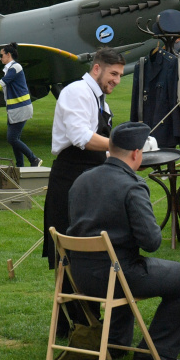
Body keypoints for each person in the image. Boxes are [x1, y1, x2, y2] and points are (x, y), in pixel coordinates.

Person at [66, 121, 180, 360]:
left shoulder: (81, 180)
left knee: (119, 264)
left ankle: (116, 344)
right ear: (137, 153)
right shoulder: (133, 186)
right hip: (116, 276)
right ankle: (155, 355)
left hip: (79, 275)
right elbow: (151, 242)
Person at [43, 47, 123, 267]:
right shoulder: (77, 91)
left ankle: (90, 301)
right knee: (70, 257)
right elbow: (81, 137)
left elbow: (101, 148)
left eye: (119, 75)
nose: (117, 80)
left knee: (91, 259)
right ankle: (69, 302)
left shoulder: (100, 100)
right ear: (97, 68)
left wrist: (122, 161)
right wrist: (121, 148)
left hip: (91, 183)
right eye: (113, 74)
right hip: (70, 183)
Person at [0, 43, 41, 167]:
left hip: (20, 109)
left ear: (8, 55)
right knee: (14, 139)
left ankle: (34, 159)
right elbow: (4, 88)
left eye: (1, 55)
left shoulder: (15, 68)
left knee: (12, 138)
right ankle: (20, 166)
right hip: (15, 110)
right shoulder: (11, 69)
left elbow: (2, 84)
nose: (0, 58)